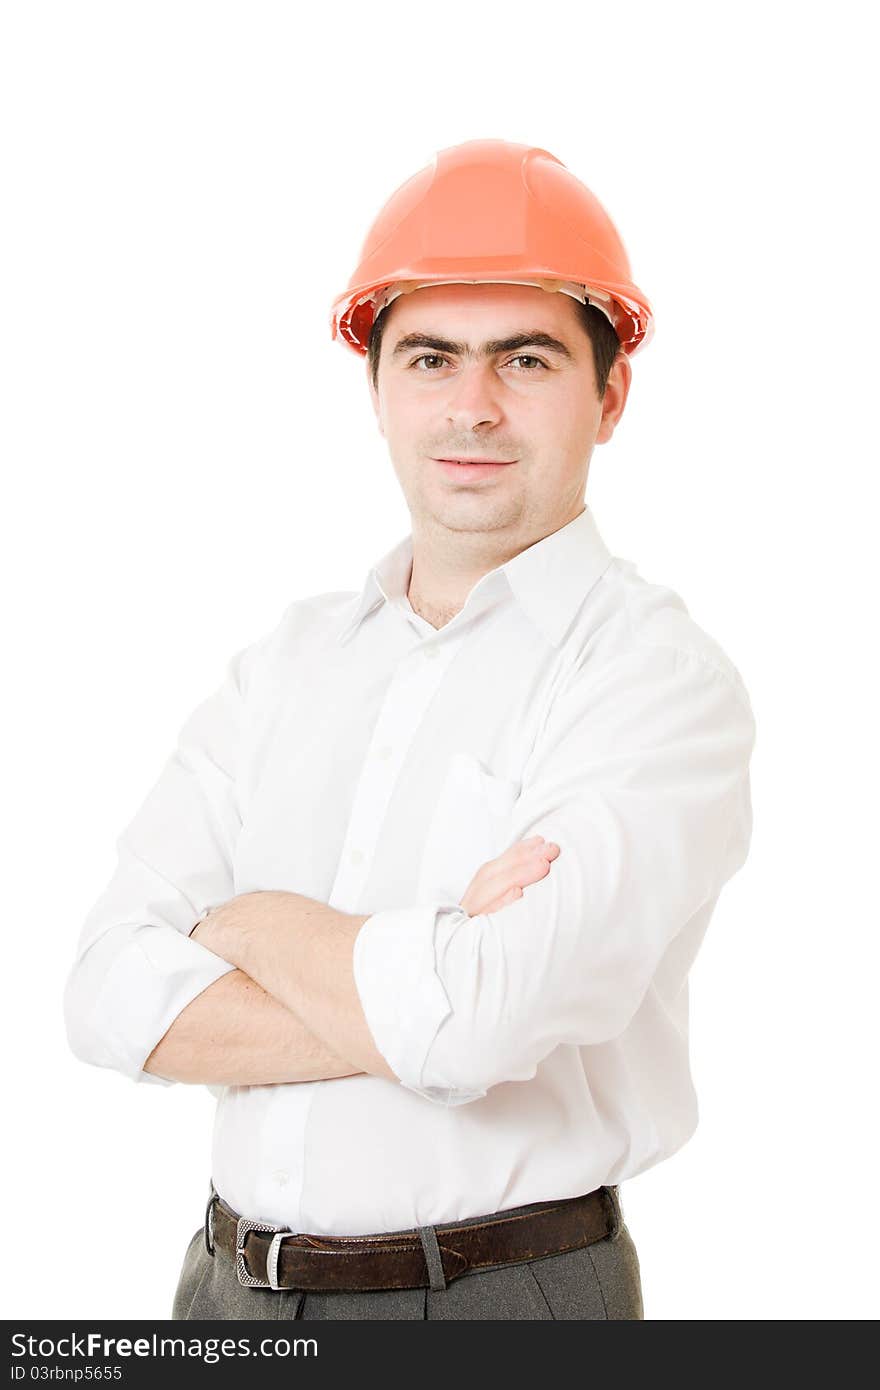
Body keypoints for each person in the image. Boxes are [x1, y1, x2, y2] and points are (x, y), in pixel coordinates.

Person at [62, 138, 757, 1321]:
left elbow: (484, 1021)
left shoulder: (654, 678)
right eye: (431, 357)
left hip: (498, 1297)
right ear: (378, 388)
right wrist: (421, 974)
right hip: (221, 1294)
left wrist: (247, 923)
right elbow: (105, 996)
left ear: (610, 393)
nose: (471, 406)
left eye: (524, 358)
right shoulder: (283, 665)